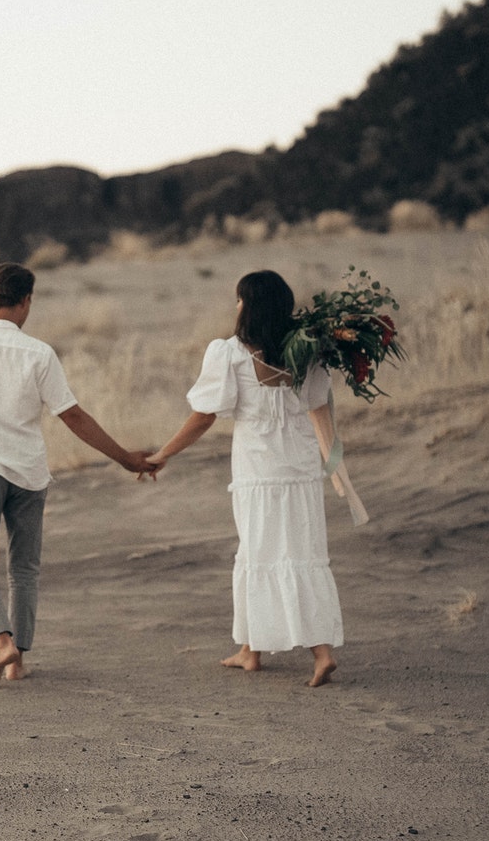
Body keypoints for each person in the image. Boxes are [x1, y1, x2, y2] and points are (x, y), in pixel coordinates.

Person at [0, 262, 157, 688]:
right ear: (25, 301)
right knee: (24, 568)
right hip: (28, 474)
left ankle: (2, 644)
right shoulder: (38, 353)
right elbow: (72, 415)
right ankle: (17, 662)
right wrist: (125, 458)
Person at [146, 270, 345, 687]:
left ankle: (289, 652)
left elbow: (204, 416)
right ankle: (267, 650)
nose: (236, 308)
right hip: (301, 470)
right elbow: (318, 407)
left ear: (247, 307)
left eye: (239, 301)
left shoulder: (230, 353)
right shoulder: (307, 350)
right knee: (300, 550)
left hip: (259, 471)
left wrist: (163, 453)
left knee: (259, 553)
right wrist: (335, 466)